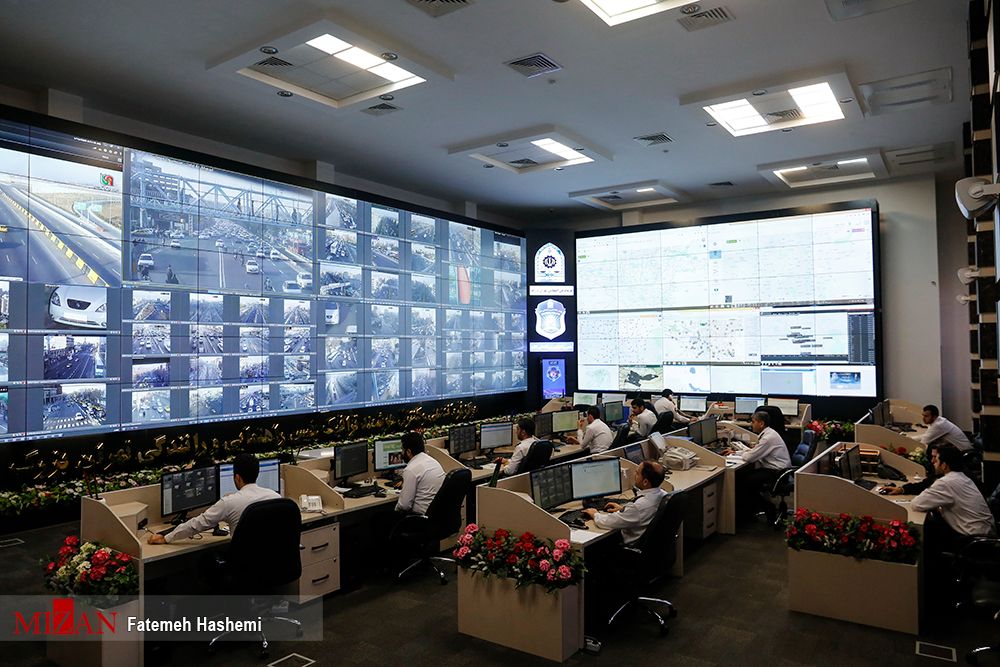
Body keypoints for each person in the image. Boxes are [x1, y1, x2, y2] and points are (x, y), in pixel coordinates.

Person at [147, 453, 279, 544]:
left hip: (244, 566)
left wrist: (166, 538)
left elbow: (197, 525)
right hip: (273, 566)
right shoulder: (275, 497)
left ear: (237, 477)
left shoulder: (229, 502)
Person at [910, 445, 995, 541]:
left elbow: (916, 504)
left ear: (944, 465)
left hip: (974, 539)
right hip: (985, 533)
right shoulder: (962, 477)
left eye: (936, 460)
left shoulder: (946, 482)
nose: (933, 462)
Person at [724, 410, 791, 519]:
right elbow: (754, 452)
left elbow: (750, 457)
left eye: (753, 422)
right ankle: (751, 510)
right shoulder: (769, 433)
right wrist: (736, 452)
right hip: (778, 470)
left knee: (742, 482)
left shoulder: (767, 438)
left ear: (761, 423)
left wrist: (742, 453)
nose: (751, 424)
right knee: (742, 477)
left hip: (777, 472)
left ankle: (767, 507)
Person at [582, 461, 669, 545]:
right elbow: (642, 512)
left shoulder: (639, 506)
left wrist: (595, 514)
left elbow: (608, 522)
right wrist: (624, 509)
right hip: (652, 545)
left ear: (645, 482)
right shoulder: (664, 495)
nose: (634, 475)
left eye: (637, 473)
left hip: (631, 546)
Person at [395, 431, 446, 515]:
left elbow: (404, 506)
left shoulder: (411, 469)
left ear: (408, 452)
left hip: (420, 517)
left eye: (402, 450)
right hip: (437, 514)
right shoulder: (433, 461)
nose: (402, 452)